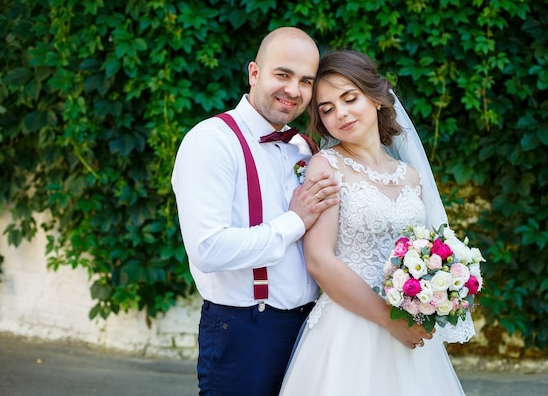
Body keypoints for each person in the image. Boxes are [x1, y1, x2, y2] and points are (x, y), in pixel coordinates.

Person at [278, 50, 471, 396]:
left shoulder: (410, 176)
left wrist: (437, 288)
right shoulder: (326, 167)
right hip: (350, 329)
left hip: (408, 328)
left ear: (377, 98)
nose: (341, 114)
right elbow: (319, 260)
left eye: (350, 98)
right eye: (327, 109)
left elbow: (430, 249)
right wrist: (390, 319)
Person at [171, 27, 340, 396]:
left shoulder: (305, 148)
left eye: (306, 81)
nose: (294, 90)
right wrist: (294, 221)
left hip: (313, 330)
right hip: (245, 332)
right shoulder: (211, 141)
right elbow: (208, 249)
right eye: (283, 74)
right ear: (254, 73)